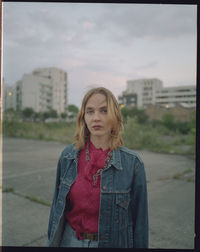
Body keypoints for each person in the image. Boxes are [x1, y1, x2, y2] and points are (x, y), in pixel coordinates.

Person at [47, 87, 148, 248]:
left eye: (104, 111)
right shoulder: (68, 156)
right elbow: (56, 209)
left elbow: (140, 223)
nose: (96, 118)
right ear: (83, 117)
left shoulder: (133, 163)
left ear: (115, 116)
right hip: (69, 240)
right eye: (90, 111)